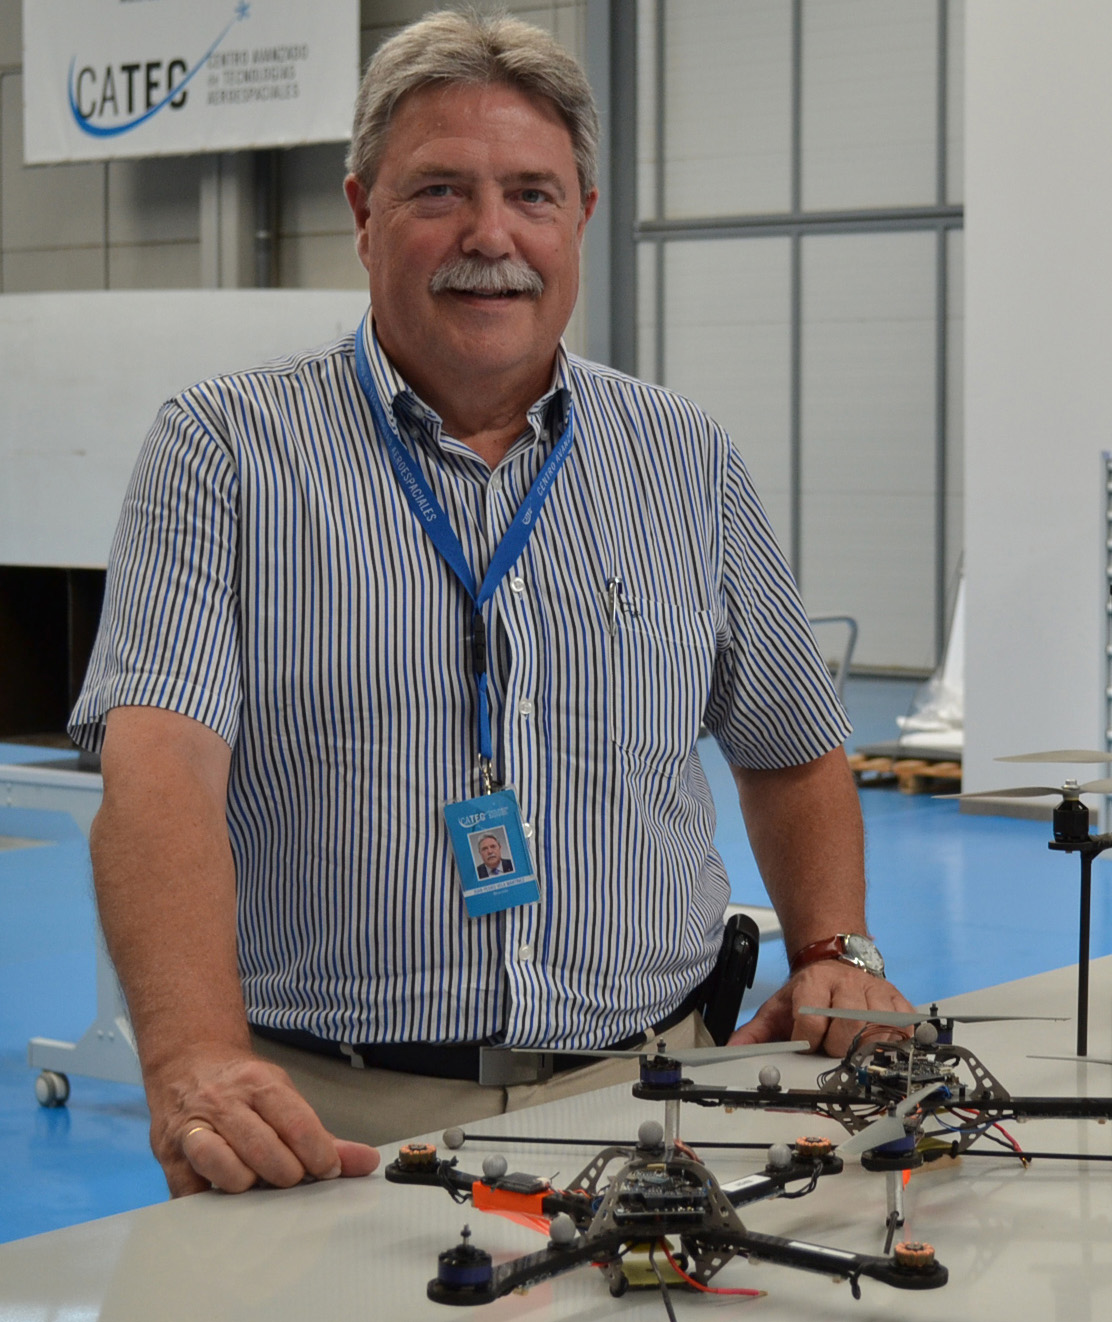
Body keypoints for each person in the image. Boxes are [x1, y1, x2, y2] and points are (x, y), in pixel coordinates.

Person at [69, 10, 914, 1200]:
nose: (490, 235)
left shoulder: (683, 458)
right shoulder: (225, 449)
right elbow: (158, 776)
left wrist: (832, 945)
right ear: (362, 214)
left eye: (530, 193)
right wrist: (195, 1056)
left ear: (582, 215)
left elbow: (789, 743)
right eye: (438, 192)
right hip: (332, 1121)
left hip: (655, 1091)